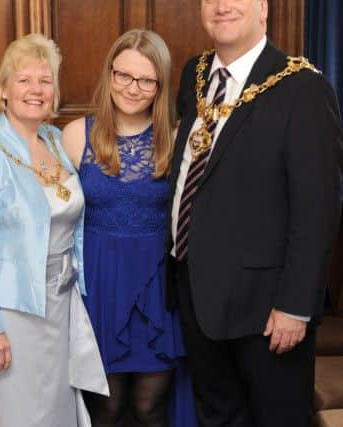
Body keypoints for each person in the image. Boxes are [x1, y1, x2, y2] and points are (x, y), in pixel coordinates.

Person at [167, 0, 343, 426]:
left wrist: (296, 306)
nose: (222, 6)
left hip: (267, 309)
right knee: (218, 418)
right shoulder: (194, 74)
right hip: (195, 292)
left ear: (263, 8)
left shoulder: (303, 87)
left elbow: (317, 207)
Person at [0, 33, 108, 427]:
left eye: (45, 81)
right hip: (4, 313)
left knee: (50, 411)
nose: (36, 90)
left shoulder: (56, 140)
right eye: (24, 79)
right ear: (3, 89)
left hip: (59, 308)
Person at [62, 29, 198, 426]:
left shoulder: (175, 140)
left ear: (160, 86)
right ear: (109, 74)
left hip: (157, 288)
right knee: (105, 407)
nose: (133, 88)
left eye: (146, 80)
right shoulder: (74, 136)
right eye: (124, 75)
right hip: (99, 288)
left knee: (149, 407)